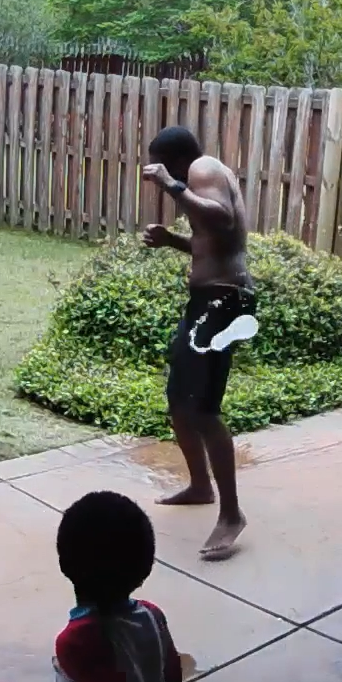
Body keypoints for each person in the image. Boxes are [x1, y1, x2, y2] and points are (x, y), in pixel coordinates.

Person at [139, 126, 256, 562]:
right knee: (178, 400)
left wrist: (171, 185)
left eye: (160, 165)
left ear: (174, 161)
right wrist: (173, 241)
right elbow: (213, 241)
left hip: (224, 303)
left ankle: (231, 514)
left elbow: (221, 219)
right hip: (208, 302)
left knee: (204, 409)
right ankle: (200, 486)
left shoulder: (203, 168)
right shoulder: (204, 175)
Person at [49, 491, 187, 682]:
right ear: (146, 568)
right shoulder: (152, 614)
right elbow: (173, 677)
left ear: (63, 564)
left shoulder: (76, 641)